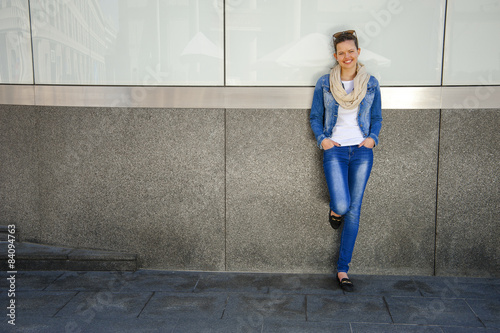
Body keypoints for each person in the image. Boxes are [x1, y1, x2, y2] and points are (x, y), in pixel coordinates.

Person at [309, 30, 382, 292]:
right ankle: (334, 209)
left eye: (351, 51)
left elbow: (377, 117)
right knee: (342, 203)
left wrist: (372, 137)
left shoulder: (371, 83)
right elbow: (315, 117)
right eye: (342, 53)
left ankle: (342, 269)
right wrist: (323, 139)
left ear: (358, 52)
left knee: (354, 210)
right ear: (335, 56)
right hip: (335, 149)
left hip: (362, 150)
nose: (347, 56)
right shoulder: (325, 83)